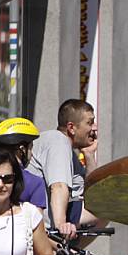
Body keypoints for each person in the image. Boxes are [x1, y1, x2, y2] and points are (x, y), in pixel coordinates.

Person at [29, 99, 97, 240]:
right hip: (41, 227)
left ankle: (68, 254)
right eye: (89, 123)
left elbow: (92, 193)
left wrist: (89, 155)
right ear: (71, 128)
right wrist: (62, 225)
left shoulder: (68, 149)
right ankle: (63, 254)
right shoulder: (58, 142)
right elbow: (58, 186)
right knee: (110, 206)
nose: (94, 128)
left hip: (59, 220)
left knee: (105, 204)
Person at [0, 118, 47, 211]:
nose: (32, 154)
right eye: (31, 148)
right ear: (22, 149)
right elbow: (37, 222)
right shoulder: (35, 183)